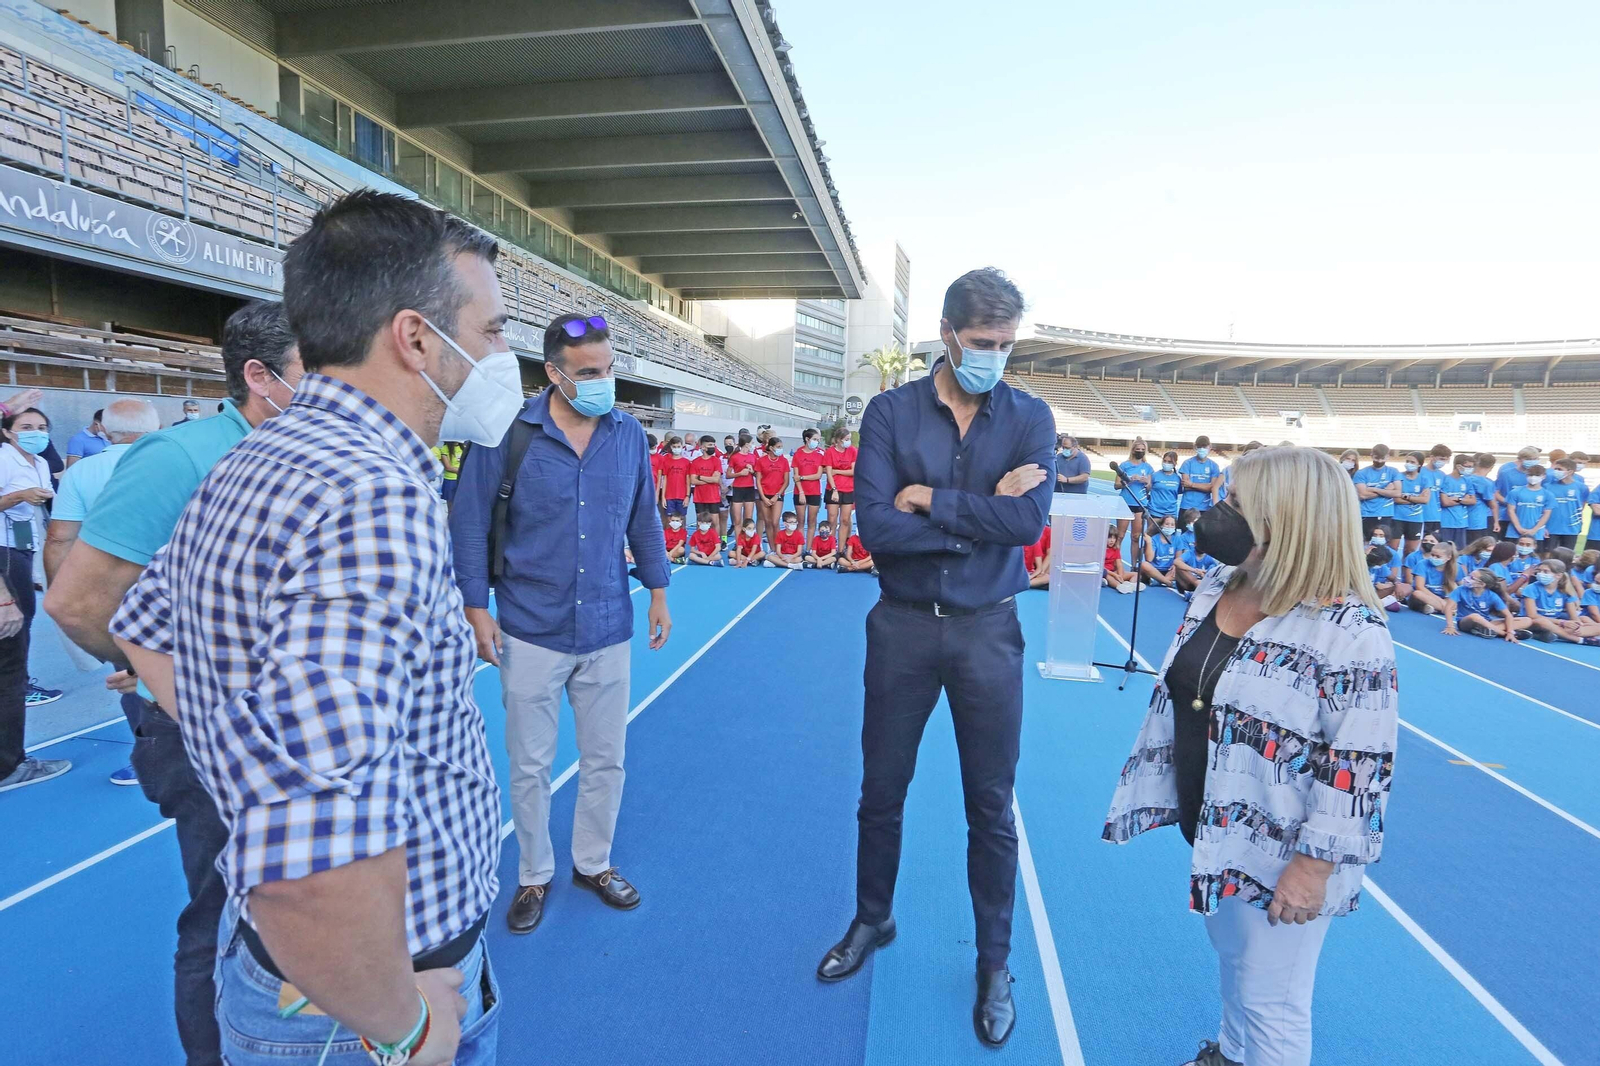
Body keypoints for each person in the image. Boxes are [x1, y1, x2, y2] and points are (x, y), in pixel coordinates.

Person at [110, 192, 518, 1066]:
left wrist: (238, 760)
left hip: (283, 972)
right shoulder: (371, 497)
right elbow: (313, 854)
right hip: (356, 1009)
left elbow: (141, 627)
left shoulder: (256, 457)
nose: (503, 357)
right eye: (491, 332)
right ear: (416, 337)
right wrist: (406, 1030)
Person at [45, 302, 300, 1066]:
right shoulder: (178, 458)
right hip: (202, 730)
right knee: (224, 914)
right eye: (312, 369)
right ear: (258, 377)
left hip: (282, 724)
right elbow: (77, 599)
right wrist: (157, 679)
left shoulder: (303, 452)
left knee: (293, 906)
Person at [817, 267, 1053, 1049]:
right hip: (904, 627)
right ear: (948, 334)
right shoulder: (889, 412)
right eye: (983, 342)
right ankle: (871, 918)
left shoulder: (1030, 417)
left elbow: (1027, 524)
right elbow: (876, 529)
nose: (995, 355)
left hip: (988, 628)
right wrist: (975, 517)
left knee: (991, 807)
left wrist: (931, 501)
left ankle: (994, 964)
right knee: (880, 791)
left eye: (1006, 344)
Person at [1103, 446, 1398, 1066]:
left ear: (1286, 519)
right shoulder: (1218, 585)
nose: (1218, 511)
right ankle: (1231, 1057)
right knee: (1236, 963)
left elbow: (1361, 768)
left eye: (1236, 503)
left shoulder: (1349, 630)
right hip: (1217, 829)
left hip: (1284, 850)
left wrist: (1312, 869)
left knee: (1275, 1001)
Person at [452, 309, 669, 941]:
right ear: (553, 373)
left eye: (608, 370)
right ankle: (534, 874)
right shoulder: (506, 434)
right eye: (589, 373)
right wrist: (475, 607)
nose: (604, 383)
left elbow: (644, 514)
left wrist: (658, 589)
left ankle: (592, 865)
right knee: (529, 764)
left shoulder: (627, 434)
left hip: (608, 624)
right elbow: (468, 523)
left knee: (607, 759)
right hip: (529, 626)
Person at [43, 398, 160, 786]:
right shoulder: (172, 464)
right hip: (168, 584)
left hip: (109, 587)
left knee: (127, 672)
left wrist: (63, 593)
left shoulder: (82, 473)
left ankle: (147, 757)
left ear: (104, 431)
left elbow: (60, 537)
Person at [0, 405, 61, 792]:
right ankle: (10, 764)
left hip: (23, 553)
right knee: (10, 662)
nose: (36, 432)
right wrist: (19, 495)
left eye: (42, 427)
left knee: (13, 657)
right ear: (8, 432)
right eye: (26, 427)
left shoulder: (38, 462)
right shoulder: (4, 461)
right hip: (5, 555)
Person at [1519, 559, 1583, 642]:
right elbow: (1532, 615)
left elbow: (1573, 616)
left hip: (1555, 623)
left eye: (1545, 571)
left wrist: (1577, 625)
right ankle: (1577, 639)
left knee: (1586, 621)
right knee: (1543, 622)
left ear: (1558, 575)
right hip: (1534, 622)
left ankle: (1552, 634)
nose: (1541, 574)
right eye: (1539, 571)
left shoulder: (1565, 590)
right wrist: (1562, 623)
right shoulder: (1531, 588)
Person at [1444, 568, 1516, 640]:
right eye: (1469, 576)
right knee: (1475, 616)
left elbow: (1508, 615)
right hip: (1465, 622)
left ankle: (1489, 630)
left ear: (1482, 584)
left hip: (1486, 622)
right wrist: (1450, 626)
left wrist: (1510, 631)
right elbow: (1448, 608)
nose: (1467, 579)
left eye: (1472, 578)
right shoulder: (1461, 590)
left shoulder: (1492, 596)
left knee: (1525, 620)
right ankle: (1503, 633)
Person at [1352, 445, 1401, 540]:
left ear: (1387, 457)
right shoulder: (1362, 473)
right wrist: (1387, 490)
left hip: (1385, 513)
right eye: (1376, 458)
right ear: (1371, 455)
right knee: (1365, 541)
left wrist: (1374, 489)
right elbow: (1362, 495)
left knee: (1383, 543)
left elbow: (1397, 493)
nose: (1379, 461)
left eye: (1382, 458)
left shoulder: (1393, 471)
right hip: (1366, 514)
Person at [1403, 540, 1460, 615]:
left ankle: (1438, 608)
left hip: (1443, 598)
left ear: (1448, 557)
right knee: (1417, 594)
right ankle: (1445, 610)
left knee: (1455, 590)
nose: (1434, 558)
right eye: (1432, 555)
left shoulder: (1454, 567)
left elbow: (1460, 587)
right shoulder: (1422, 564)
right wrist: (1440, 601)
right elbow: (1419, 587)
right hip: (1425, 596)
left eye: (1438, 557)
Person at [825, 428, 859, 547]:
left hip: (848, 489)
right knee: (832, 519)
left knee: (845, 520)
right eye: (846, 439)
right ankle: (831, 547)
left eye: (849, 439)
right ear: (839, 440)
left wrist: (837, 471)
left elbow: (853, 471)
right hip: (833, 489)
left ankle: (840, 548)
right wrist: (834, 489)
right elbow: (829, 473)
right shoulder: (830, 452)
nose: (848, 442)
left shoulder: (852, 451)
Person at [1116, 441, 1154, 544]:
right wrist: (1128, 480)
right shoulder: (1124, 465)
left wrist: (1146, 481)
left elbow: (1149, 488)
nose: (1140, 451)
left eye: (1143, 450)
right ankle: (1115, 559)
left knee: (1136, 537)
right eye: (1138, 449)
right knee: (1120, 535)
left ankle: (1134, 561)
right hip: (1125, 502)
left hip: (1140, 503)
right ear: (1133, 450)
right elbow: (1116, 485)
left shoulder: (1148, 467)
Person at [1543, 458, 1584, 553]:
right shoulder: (1547, 486)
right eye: (1555, 469)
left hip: (1571, 528)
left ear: (1570, 471)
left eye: (1559, 469)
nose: (1556, 472)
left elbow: (1582, 504)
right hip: (1551, 528)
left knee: (1567, 556)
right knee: (1547, 555)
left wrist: (1579, 523)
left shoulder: (1581, 487)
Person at [1505, 464, 1552, 547]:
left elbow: (1546, 514)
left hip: (1536, 533)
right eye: (1530, 475)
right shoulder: (1515, 492)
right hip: (1514, 532)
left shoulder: (1548, 494)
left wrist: (1534, 529)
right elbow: (1511, 510)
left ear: (1543, 476)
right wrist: (1518, 527)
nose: (1533, 477)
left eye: (1537, 475)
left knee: (1535, 557)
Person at [755, 435, 791, 544]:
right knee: (768, 522)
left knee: (775, 522)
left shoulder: (783, 461)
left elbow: (786, 481)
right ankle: (772, 548)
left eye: (781, 446)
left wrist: (777, 495)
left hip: (778, 495)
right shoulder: (761, 461)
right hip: (765, 494)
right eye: (778, 446)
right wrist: (763, 497)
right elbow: (758, 481)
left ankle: (778, 546)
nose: (780, 449)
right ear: (771, 448)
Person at [1392, 452, 1430, 554]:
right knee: (1392, 549)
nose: (1409, 464)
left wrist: (1406, 496)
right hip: (1397, 518)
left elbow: (1425, 500)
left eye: (1412, 462)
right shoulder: (1398, 476)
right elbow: (1396, 499)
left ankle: (1406, 570)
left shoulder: (1424, 479)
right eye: (1407, 461)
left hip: (1415, 519)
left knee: (1410, 551)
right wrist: (1416, 497)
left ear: (1419, 465)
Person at [792, 427, 826, 539]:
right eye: (815, 439)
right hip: (800, 492)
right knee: (800, 522)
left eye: (818, 440)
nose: (817, 442)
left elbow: (818, 475)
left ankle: (809, 548)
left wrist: (802, 477)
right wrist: (801, 492)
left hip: (814, 491)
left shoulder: (820, 455)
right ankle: (800, 548)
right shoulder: (798, 454)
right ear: (807, 439)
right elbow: (795, 477)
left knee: (812, 521)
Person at [689, 434, 725, 537]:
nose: (712, 447)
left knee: (714, 522)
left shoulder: (716, 461)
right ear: (703, 447)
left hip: (713, 497)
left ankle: (715, 543)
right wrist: (710, 479)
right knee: (700, 522)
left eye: (713, 445)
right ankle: (699, 543)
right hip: (699, 497)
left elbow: (716, 479)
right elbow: (693, 480)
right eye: (710, 445)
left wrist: (700, 477)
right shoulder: (695, 462)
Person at [1435, 454, 1473, 549]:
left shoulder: (1467, 480)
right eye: (1468, 467)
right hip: (1446, 523)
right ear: (1458, 466)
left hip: (1462, 523)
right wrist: (1464, 499)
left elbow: (1472, 500)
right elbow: (1445, 502)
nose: (1471, 469)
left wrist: (1458, 499)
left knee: (1459, 552)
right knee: (1445, 550)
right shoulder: (1446, 479)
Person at [728, 431, 759, 542]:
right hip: (738, 489)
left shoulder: (753, 457)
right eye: (751, 443)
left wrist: (752, 471)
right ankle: (738, 543)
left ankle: (748, 543)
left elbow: (756, 474)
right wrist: (739, 474)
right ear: (746, 444)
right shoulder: (735, 457)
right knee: (737, 521)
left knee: (748, 519)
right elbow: (728, 474)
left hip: (749, 488)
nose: (752, 445)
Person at [1178, 436, 1221, 514]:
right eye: (1199, 446)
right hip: (1187, 506)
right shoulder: (1187, 463)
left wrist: (1192, 484)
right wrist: (1205, 486)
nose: (1202, 449)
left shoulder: (1214, 466)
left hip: (1204, 507)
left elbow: (1212, 487)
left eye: (1204, 446)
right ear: (1195, 447)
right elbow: (1186, 485)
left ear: (1210, 447)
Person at [1144, 515, 1182, 592]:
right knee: (1144, 565)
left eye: (1172, 525)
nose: (1169, 527)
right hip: (1155, 570)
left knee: (1181, 568)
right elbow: (1149, 559)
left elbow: (1179, 558)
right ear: (1161, 525)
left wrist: (1175, 565)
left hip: (1169, 570)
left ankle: (1158, 581)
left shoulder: (1177, 539)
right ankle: (1167, 582)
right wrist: (1148, 542)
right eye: (1167, 524)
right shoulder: (1154, 539)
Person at [659, 434, 690, 522]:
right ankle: (669, 536)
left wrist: (687, 496)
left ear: (682, 446)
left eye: (678, 446)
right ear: (671, 447)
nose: (676, 448)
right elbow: (664, 479)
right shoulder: (666, 461)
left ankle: (683, 535)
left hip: (682, 496)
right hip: (669, 496)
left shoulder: (686, 462)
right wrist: (663, 497)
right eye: (674, 446)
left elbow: (688, 481)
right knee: (669, 519)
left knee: (682, 519)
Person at [1150, 450, 1183, 523]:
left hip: (1171, 513)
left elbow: (1178, 492)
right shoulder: (1155, 475)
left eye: (1169, 462)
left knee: (1168, 533)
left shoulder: (1178, 478)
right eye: (1165, 461)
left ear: (1175, 463)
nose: (1166, 463)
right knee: (1152, 534)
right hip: (1155, 512)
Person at [1024, 523, 1052, 589]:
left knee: (1048, 576)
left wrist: (1041, 571)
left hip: (1040, 565)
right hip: (1024, 570)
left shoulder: (1048, 531)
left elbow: (1050, 554)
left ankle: (1023, 585)